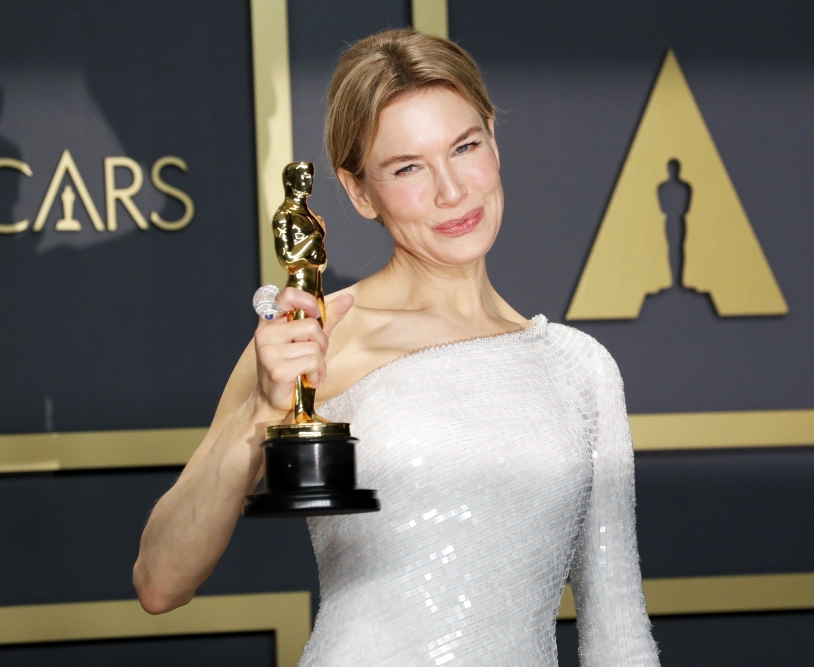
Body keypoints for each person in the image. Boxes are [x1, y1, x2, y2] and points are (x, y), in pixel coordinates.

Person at [133, 28, 658, 666]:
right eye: (408, 167)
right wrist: (260, 417)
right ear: (358, 192)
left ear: (494, 139)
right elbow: (160, 581)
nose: (451, 192)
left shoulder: (579, 368)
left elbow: (619, 631)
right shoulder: (319, 337)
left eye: (464, 147)